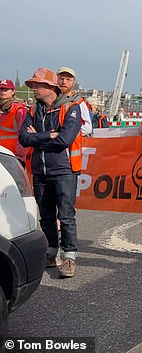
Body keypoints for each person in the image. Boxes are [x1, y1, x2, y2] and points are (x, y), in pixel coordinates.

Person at [18, 68, 83, 278]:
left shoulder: (72, 108)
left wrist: (39, 137)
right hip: (40, 171)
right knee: (46, 217)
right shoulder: (33, 110)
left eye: (37, 85)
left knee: (65, 216)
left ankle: (69, 257)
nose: (34, 89)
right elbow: (23, 138)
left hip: (64, 170)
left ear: (51, 87)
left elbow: (64, 140)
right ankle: (51, 252)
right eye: (33, 85)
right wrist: (50, 136)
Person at [57, 67, 93, 137]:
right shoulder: (49, 100)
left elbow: (87, 128)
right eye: (61, 79)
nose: (64, 82)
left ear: (73, 82)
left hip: (69, 145)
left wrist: (63, 134)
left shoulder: (78, 102)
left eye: (68, 80)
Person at [0, 79, 28, 165]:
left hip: (13, 158)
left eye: (6, 89)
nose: (2, 92)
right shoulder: (2, 109)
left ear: (13, 91)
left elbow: (23, 136)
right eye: (1, 89)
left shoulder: (19, 110)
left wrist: (20, 157)